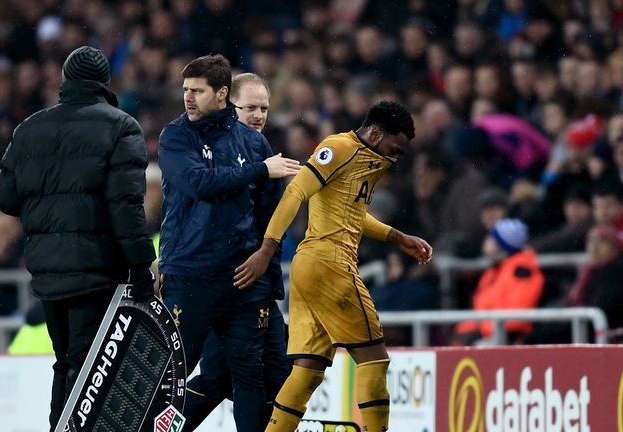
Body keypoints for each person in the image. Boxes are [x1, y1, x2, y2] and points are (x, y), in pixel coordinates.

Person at [235, 101, 433, 432]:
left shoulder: (362, 160)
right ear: (375, 133)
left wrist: (397, 237)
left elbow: (351, 213)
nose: (395, 158)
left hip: (308, 267)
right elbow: (296, 191)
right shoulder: (339, 148)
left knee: (307, 370)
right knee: (374, 359)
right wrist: (267, 249)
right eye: (394, 149)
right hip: (331, 264)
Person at [0, 46, 156, 431]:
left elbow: (4, 197)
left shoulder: (29, 128)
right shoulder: (121, 127)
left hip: (48, 273)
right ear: (104, 83)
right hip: (98, 271)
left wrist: (47, 204)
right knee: (89, 368)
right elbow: (125, 207)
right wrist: (141, 266)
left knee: (66, 363)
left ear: (66, 81)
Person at [157, 55, 300, 432]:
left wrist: (266, 265)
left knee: (249, 376)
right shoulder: (175, 137)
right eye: (186, 90)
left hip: (243, 280)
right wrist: (260, 170)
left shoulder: (255, 144)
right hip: (190, 276)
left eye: (197, 90)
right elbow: (198, 184)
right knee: (174, 375)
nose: (188, 97)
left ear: (220, 94)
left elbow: (271, 215)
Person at [453, 218, 544, 345]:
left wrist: (480, 330)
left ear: (501, 245)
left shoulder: (521, 271)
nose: (486, 241)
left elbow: (515, 319)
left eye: (491, 237)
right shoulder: (496, 270)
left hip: (504, 338)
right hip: (488, 332)